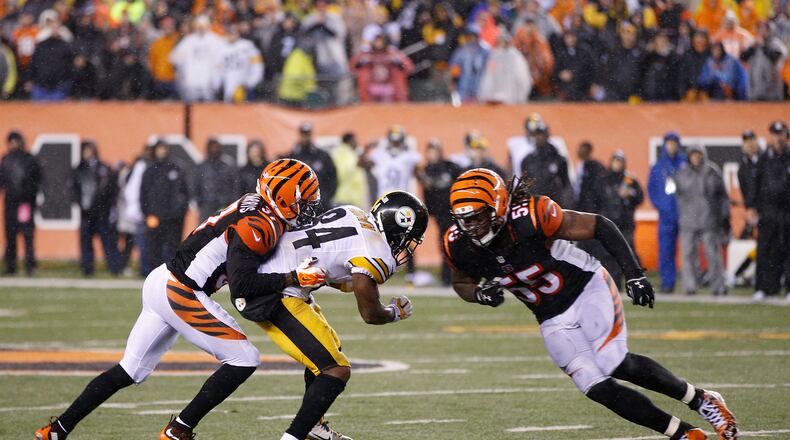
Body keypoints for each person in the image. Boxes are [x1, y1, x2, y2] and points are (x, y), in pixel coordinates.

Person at [34, 160, 327, 440]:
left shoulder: (256, 204)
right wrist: (293, 278)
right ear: (284, 198)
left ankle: (58, 429)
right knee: (244, 358)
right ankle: (179, 428)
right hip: (182, 291)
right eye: (304, 201)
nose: (308, 208)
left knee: (129, 370)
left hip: (161, 279)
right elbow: (242, 286)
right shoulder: (261, 226)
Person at [443, 168, 739, 440]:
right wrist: (479, 295)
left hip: (586, 287)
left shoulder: (532, 217)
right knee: (594, 386)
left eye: (476, 217)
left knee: (614, 360)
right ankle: (683, 434)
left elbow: (600, 225)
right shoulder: (458, 243)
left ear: (498, 207)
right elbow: (462, 283)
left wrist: (633, 274)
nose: (469, 227)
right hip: (549, 315)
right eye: (463, 218)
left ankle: (701, 400)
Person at [244, 192, 428, 440]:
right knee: (336, 370)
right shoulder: (377, 250)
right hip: (275, 291)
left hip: (268, 271)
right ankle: (294, 436)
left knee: (329, 348)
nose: (407, 245)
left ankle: (314, 427)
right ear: (398, 227)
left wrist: (348, 283)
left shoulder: (353, 212)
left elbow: (328, 259)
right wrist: (395, 312)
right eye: (408, 238)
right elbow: (370, 314)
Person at [674, 145, 729, 296]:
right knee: (687, 255)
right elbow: (676, 196)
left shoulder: (712, 172)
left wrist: (724, 216)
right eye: (693, 154)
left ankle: (718, 286)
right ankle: (690, 286)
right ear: (689, 156)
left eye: (699, 154)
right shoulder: (682, 174)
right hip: (688, 220)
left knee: (713, 254)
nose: (696, 157)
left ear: (703, 155)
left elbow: (722, 196)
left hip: (709, 219)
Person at [72, 141, 123, 276]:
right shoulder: (79, 169)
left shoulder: (103, 168)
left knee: (108, 242)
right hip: (86, 213)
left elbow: (112, 189)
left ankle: (114, 268)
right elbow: (74, 190)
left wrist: (108, 206)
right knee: (86, 242)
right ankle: (88, 269)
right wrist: (81, 204)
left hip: (102, 213)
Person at [752, 121, 790, 302]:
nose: (777, 138)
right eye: (775, 134)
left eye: (780, 134)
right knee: (765, 250)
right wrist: (752, 206)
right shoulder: (764, 158)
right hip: (768, 211)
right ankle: (764, 288)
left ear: (786, 136)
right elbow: (755, 184)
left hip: (787, 211)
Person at [417, 139, 462, 285]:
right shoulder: (426, 171)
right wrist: (429, 212)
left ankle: (460, 275)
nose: (433, 154)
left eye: (435, 150)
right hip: (441, 215)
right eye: (430, 151)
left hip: (454, 212)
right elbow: (428, 195)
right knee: (444, 245)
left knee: (456, 244)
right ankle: (446, 278)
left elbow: (461, 179)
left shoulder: (450, 166)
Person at [140, 140, 190, 271]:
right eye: (159, 148)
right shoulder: (150, 170)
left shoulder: (176, 169)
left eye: (164, 148)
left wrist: (180, 212)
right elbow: (143, 195)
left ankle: (173, 274)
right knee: (154, 248)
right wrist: (147, 213)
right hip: (155, 218)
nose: (162, 151)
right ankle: (154, 274)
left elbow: (185, 193)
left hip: (174, 218)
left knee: (173, 248)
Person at [648, 132, 686, 293]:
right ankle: (667, 283)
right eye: (669, 143)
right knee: (666, 250)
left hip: (685, 214)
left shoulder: (685, 163)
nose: (671, 146)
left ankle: (689, 283)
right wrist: (662, 207)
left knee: (688, 251)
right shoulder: (658, 166)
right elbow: (651, 189)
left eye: (674, 143)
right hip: (666, 216)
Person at [0, 130, 41, 276]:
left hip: (25, 203)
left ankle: (30, 265)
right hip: (10, 203)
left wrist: (31, 197)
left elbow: (37, 180)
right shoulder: (6, 160)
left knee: (27, 235)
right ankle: (11, 266)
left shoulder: (29, 159)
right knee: (10, 236)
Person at [169, 15, 226, 102]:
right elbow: (174, 58)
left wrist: (217, 77)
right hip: (192, 82)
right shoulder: (189, 41)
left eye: (203, 26)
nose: (201, 29)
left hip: (209, 82)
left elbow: (222, 60)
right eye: (199, 26)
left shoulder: (216, 40)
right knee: (193, 108)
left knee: (209, 109)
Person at [520, 118, 572, 207]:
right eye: (536, 135)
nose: (539, 137)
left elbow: (565, 184)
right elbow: (525, 184)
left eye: (541, 134)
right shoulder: (527, 160)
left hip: (554, 204)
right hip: (535, 205)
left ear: (547, 135)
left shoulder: (558, 159)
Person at [351, 33, 413, 102]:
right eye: (377, 41)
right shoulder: (367, 54)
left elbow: (408, 67)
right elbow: (353, 66)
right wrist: (363, 62)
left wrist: (396, 62)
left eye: (380, 41)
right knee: (371, 105)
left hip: (389, 85)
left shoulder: (392, 53)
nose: (378, 44)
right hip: (371, 85)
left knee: (389, 104)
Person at [286, 122, 338, 205]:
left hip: (321, 203)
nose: (305, 137)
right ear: (300, 135)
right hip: (299, 204)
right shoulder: (292, 157)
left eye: (308, 134)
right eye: (303, 134)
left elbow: (332, 177)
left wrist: (326, 197)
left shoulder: (322, 156)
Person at [477, 30, 532, 104]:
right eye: (501, 41)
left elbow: (522, 77)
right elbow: (489, 74)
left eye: (504, 41)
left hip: (513, 96)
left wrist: (521, 95)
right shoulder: (495, 56)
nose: (502, 43)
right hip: (495, 96)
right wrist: (486, 93)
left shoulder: (516, 57)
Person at [216, 23, 264, 103]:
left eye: (234, 33)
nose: (231, 36)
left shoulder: (248, 46)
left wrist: (252, 81)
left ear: (238, 34)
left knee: (246, 110)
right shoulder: (220, 47)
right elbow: (217, 67)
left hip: (244, 83)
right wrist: (218, 83)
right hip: (227, 85)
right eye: (229, 34)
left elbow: (257, 65)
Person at [194, 138, 240, 221]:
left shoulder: (227, 165)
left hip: (224, 205)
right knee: (205, 231)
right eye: (212, 147)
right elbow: (196, 185)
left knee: (224, 230)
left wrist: (230, 201)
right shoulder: (202, 166)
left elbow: (234, 185)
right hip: (206, 206)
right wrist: (200, 202)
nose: (214, 149)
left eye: (216, 147)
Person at [448, 27, 490, 102]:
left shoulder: (485, 51)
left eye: (474, 36)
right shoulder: (461, 51)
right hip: (465, 83)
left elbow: (490, 67)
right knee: (464, 105)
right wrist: (453, 81)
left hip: (480, 82)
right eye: (470, 36)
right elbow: (455, 67)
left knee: (480, 106)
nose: (472, 38)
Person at [331, 132, 368, 208]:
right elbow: (340, 174)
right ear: (349, 141)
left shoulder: (351, 153)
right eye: (355, 140)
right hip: (344, 198)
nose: (357, 143)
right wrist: (356, 165)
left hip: (352, 198)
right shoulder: (342, 153)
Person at [738, 130, 760, 238]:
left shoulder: (766, 160)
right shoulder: (743, 167)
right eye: (746, 141)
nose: (749, 144)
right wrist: (750, 207)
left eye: (751, 140)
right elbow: (745, 190)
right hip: (752, 210)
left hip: (768, 209)